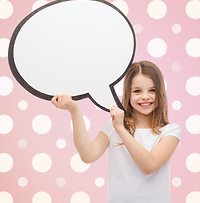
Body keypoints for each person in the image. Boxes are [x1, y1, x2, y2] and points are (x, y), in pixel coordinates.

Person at [51, 61, 181, 203]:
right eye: (137, 91)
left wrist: (121, 128)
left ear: (160, 93)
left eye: (152, 90)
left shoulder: (170, 131)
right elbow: (88, 155)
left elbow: (149, 166)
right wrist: (74, 111)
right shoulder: (112, 127)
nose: (145, 96)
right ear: (128, 94)